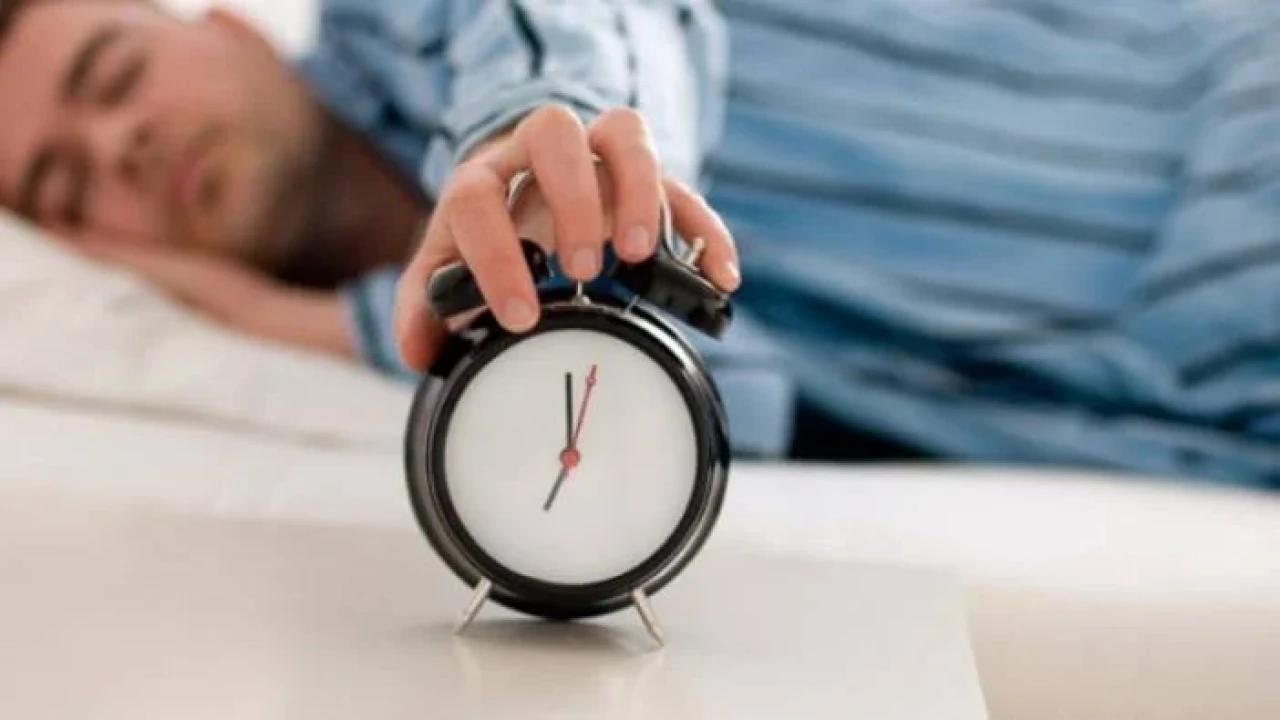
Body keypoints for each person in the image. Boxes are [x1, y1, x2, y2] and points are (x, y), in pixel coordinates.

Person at [1, 0, 1278, 487]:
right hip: (1196, 406)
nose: (118, 147)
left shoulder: (403, 14)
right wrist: (272, 320)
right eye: (65, 188)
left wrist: (542, 131)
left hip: (1224, 144)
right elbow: (733, 394)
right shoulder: (390, 376)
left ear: (225, 27)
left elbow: (582, 23)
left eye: (114, 76)